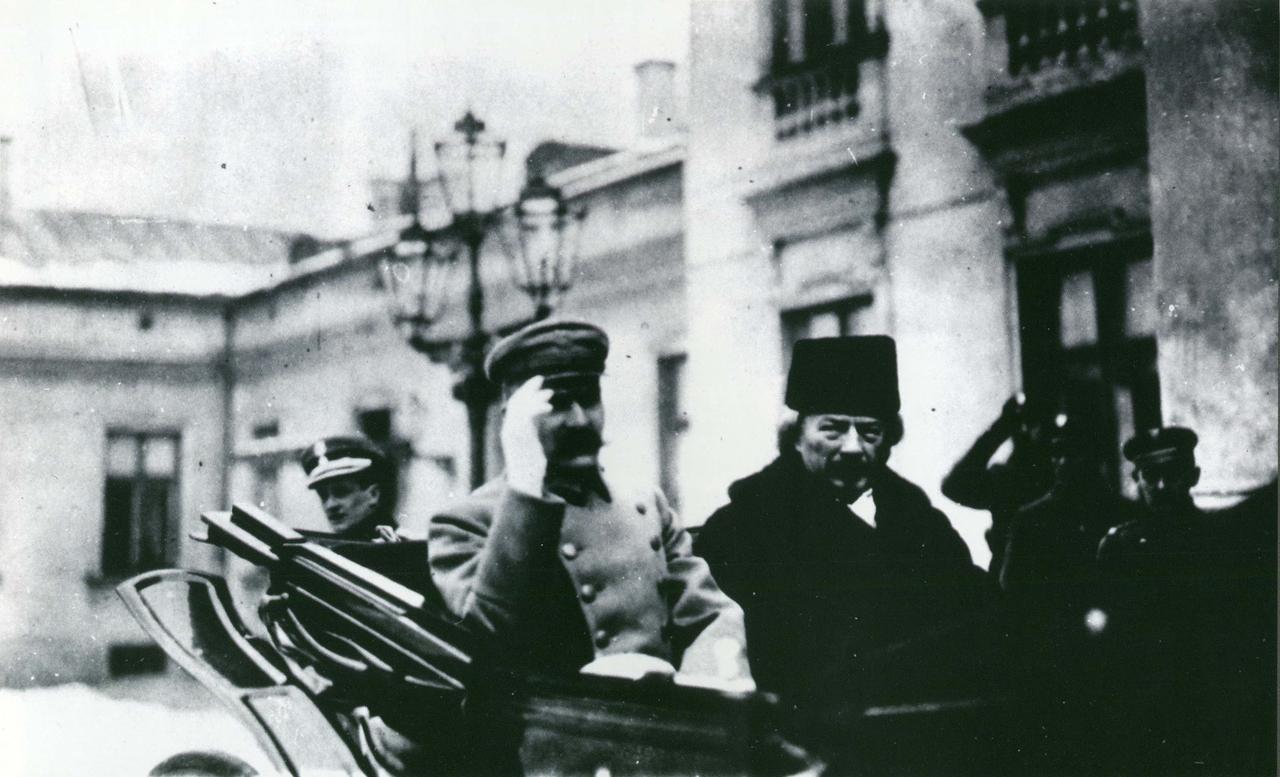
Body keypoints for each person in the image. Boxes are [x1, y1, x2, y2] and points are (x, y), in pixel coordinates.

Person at [695, 336, 986, 747]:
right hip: (802, 747)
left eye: (869, 432)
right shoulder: (742, 526)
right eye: (832, 429)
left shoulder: (919, 521)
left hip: (923, 738)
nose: (852, 447)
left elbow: (974, 612)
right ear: (796, 435)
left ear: (888, 441)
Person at [428, 319, 752, 688]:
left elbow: (712, 616)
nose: (580, 420)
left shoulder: (645, 504)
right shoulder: (466, 522)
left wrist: (707, 698)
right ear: (514, 420)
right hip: (557, 731)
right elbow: (491, 640)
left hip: (660, 725)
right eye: (557, 403)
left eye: (589, 397)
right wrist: (526, 485)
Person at [941, 394, 1053, 576]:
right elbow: (955, 485)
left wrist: (1002, 428)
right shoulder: (1011, 478)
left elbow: (955, 485)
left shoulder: (1013, 479)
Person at [300, 435, 400, 541]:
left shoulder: (402, 548)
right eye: (323, 496)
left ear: (373, 494)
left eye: (341, 492)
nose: (330, 505)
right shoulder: (325, 551)